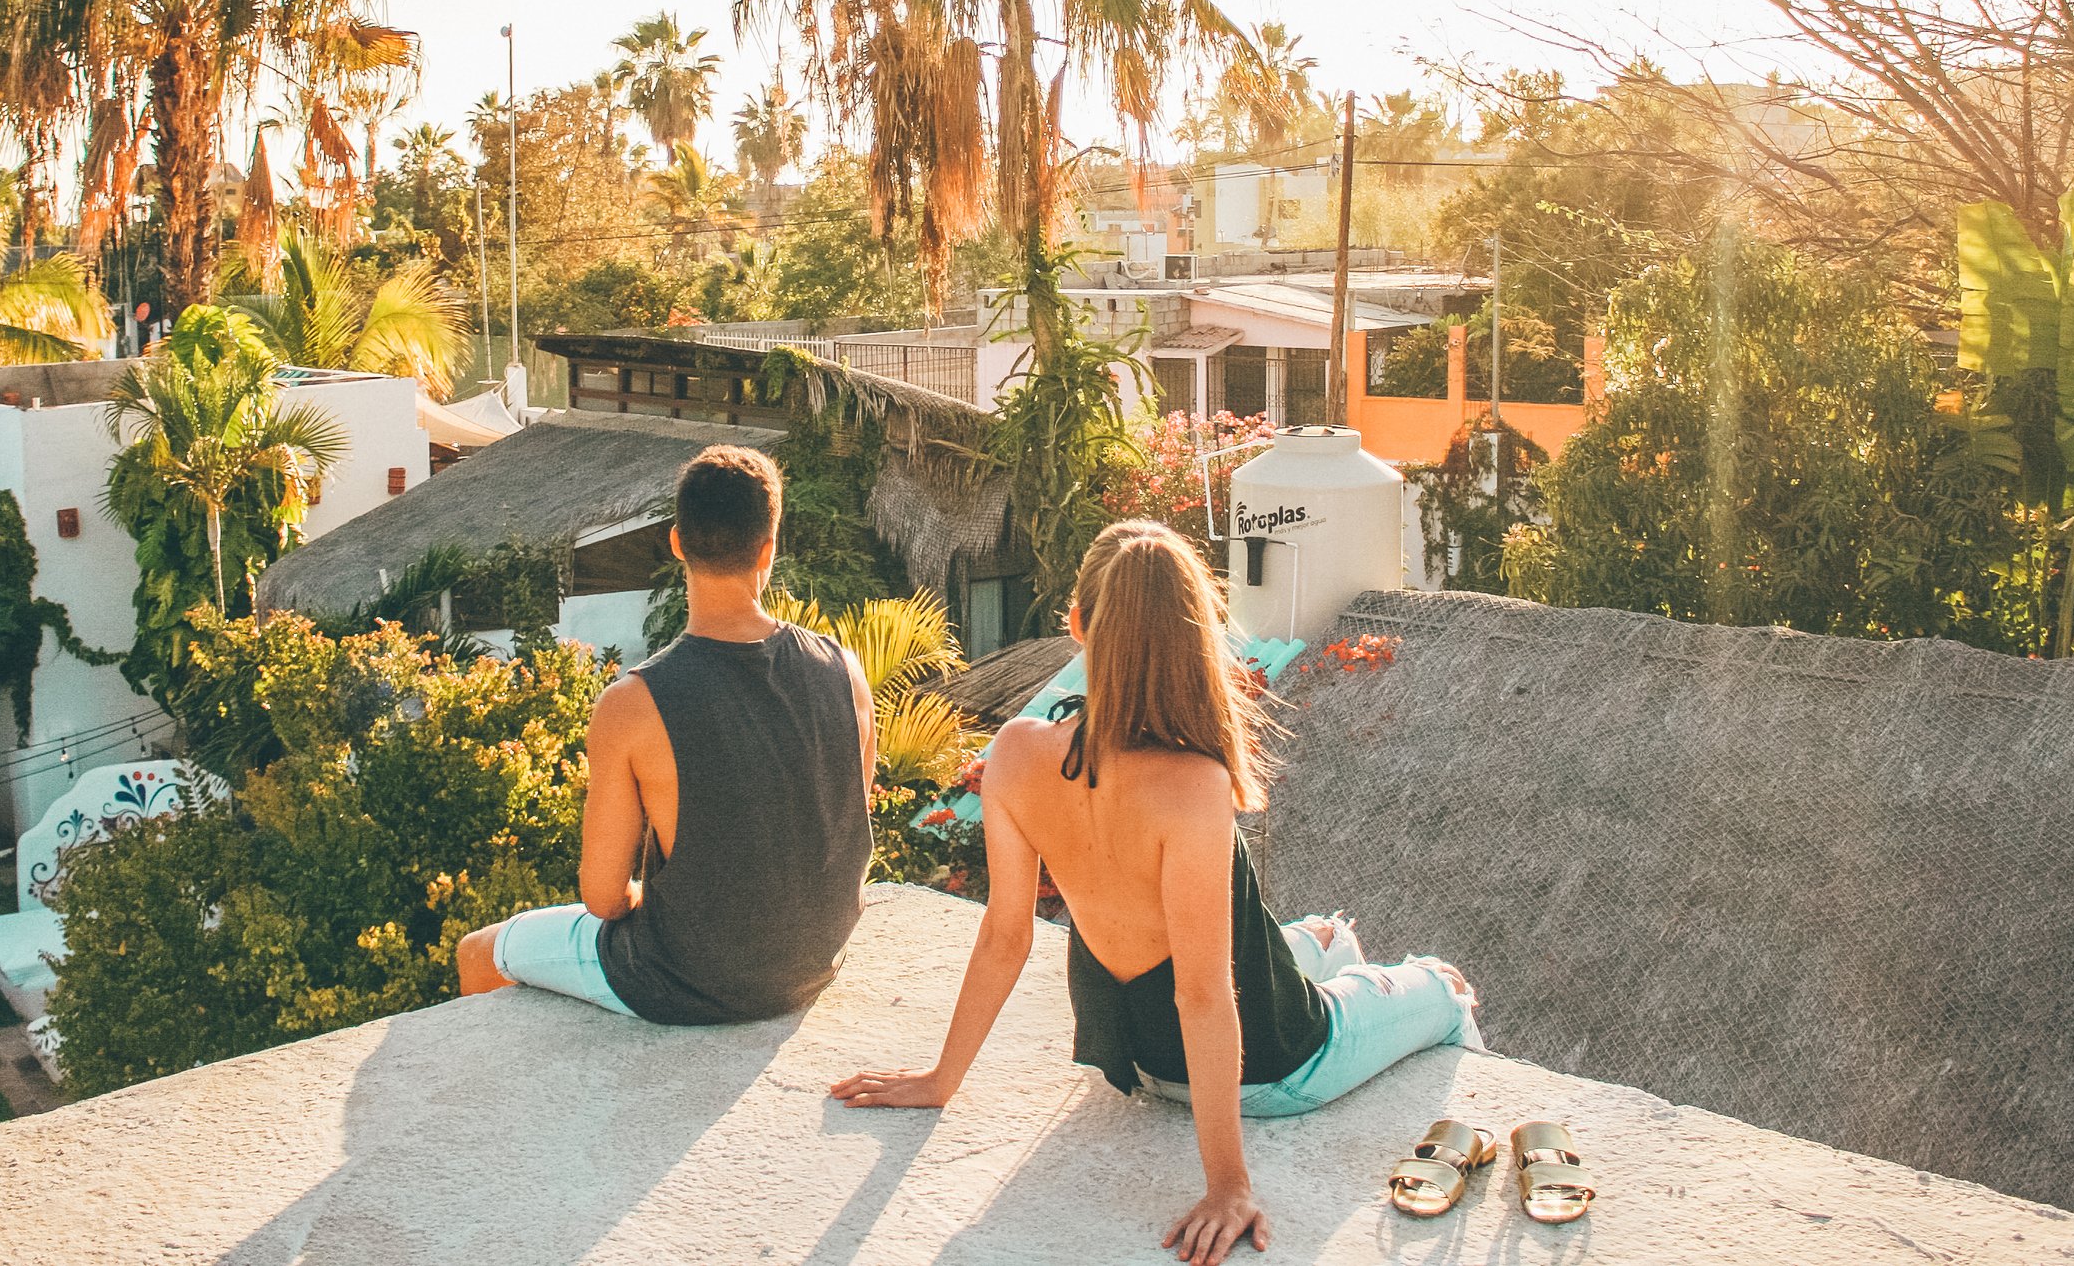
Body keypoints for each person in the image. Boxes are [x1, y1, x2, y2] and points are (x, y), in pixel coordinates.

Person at [831, 520, 1480, 1266]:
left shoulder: (1015, 752)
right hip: (1273, 1070)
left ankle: (1330, 945)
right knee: (1442, 985)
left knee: (1320, 935)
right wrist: (1228, 1183)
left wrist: (942, 1078)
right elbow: (1204, 994)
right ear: (1198, 637)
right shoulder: (1193, 785)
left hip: (1132, 1060)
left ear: (1076, 626)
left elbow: (1006, 935)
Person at [455, 443, 875, 1024]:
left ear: (677, 541)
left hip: (693, 976)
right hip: (815, 962)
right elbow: (837, 826)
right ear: (768, 548)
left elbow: (603, 899)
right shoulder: (843, 668)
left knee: (477, 951)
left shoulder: (632, 703)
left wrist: (650, 901)